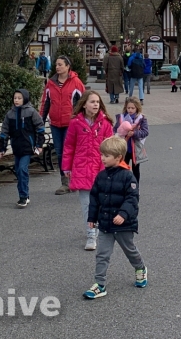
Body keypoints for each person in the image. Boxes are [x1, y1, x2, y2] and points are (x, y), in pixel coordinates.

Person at [82, 136, 147, 300]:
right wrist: (92, 217)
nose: (102, 158)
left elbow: (132, 199)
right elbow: (94, 197)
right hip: (105, 223)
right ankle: (100, 284)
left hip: (124, 225)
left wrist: (123, 214)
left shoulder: (128, 177)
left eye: (106, 156)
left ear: (118, 157)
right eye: (102, 155)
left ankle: (140, 268)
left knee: (130, 250)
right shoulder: (101, 176)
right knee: (102, 254)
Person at [62, 90, 114, 250]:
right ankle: (91, 235)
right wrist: (66, 167)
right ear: (84, 104)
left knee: (100, 204)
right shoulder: (75, 123)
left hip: (101, 169)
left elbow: (111, 147)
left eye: (97, 102)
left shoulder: (105, 124)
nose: (95, 105)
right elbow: (69, 146)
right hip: (82, 169)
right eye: (92, 102)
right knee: (87, 205)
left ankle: (97, 228)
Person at [40, 55, 86, 195]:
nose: (57, 67)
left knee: (70, 152)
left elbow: (83, 102)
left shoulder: (76, 82)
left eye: (60, 64)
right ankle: (65, 182)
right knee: (60, 153)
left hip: (70, 124)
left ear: (67, 66)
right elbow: (45, 102)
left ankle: (74, 180)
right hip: (55, 123)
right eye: (56, 65)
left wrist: (81, 120)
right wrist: (41, 120)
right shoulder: (51, 83)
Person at [0, 88, 46, 208]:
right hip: (17, 148)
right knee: (19, 172)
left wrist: (39, 145)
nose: (17, 100)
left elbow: (40, 128)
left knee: (22, 169)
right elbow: (4, 131)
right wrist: (2, 149)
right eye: (15, 98)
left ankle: (23, 197)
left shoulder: (31, 112)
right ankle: (25, 194)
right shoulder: (10, 114)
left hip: (28, 147)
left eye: (19, 98)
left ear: (25, 99)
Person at [114, 97, 149, 182]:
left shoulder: (141, 119)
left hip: (135, 149)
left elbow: (145, 132)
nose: (130, 110)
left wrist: (134, 133)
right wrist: (121, 132)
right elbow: (115, 130)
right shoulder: (121, 118)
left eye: (132, 108)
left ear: (137, 108)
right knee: (122, 168)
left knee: (135, 170)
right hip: (124, 148)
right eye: (128, 108)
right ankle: (124, 186)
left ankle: (136, 187)